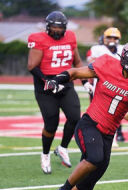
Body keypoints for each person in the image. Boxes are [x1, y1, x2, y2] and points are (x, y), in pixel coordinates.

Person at [35, 39, 128, 190]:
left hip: (108, 134)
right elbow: (75, 72)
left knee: (86, 187)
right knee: (94, 158)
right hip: (90, 124)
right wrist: (56, 79)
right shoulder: (107, 64)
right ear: (126, 59)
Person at [27, 11, 86, 174]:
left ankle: (62, 148)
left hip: (66, 82)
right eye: (54, 27)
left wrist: (86, 82)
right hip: (45, 86)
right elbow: (32, 66)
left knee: (75, 118)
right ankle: (45, 154)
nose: (57, 30)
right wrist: (48, 82)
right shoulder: (38, 39)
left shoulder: (71, 37)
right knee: (51, 125)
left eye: (60, 28)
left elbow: (77, 61)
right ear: (47, 27)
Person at [86, 27, 126, 145]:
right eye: (109, 37)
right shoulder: (97, 49)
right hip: (100, 85)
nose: (112, 40)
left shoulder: (123, 49)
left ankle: (116, 135)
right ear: (104, 38)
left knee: (116, 111)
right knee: (97, 112)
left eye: (114, 37)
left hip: (117, 85)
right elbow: (91, 65)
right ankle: (95, 135)